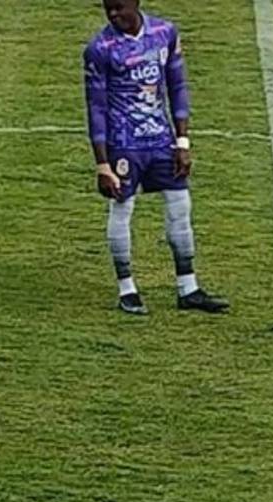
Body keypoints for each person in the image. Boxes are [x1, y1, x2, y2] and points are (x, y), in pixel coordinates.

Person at [84, 0, 229, 315]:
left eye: (119, 7)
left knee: (180, 207)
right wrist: (102, 164)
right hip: (124, 144)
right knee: (122, 209)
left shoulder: (165, 32)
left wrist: (182, 142)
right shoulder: (100, 48)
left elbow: (177, 85)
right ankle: (127, 289)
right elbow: (95, 106)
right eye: (108, 8)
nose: (113, 14)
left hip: (162, 141)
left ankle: (188, 288)